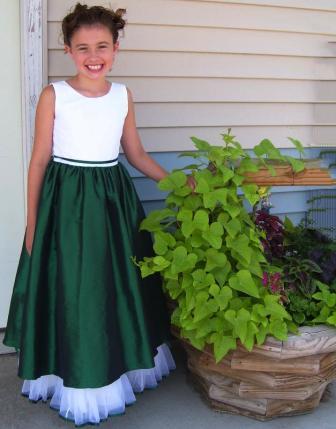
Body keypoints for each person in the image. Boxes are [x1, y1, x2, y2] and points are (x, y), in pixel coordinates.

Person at [3, 3, 191, 425]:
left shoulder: (122, 96)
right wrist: (33, 224)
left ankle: (115, 367)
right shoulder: (55, 95)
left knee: (115, 286)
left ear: (116, 48)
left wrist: (179, 186)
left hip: (112, 200)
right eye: (83, 47)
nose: (93, 55)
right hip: (65, 202)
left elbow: (136, 153)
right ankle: (75, 377)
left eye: (102, 46)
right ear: (68, 50)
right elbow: (38, 161)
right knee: (75, 289)